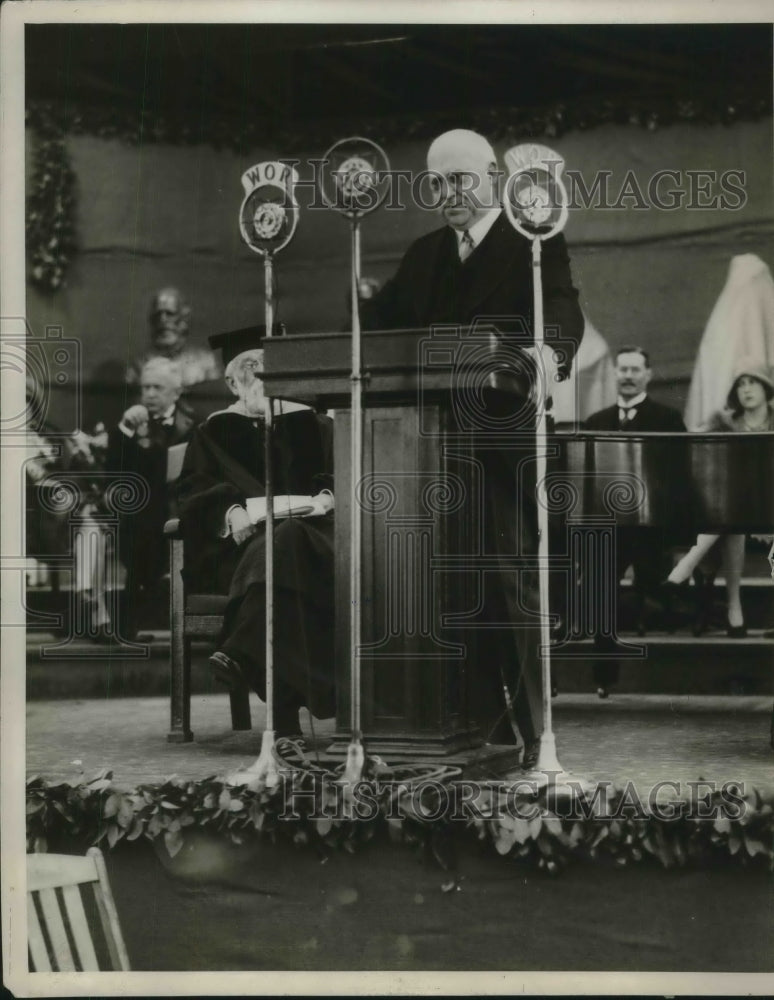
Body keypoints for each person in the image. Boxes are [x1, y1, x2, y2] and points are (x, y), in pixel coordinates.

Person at [360, 128, 585, 768]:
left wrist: (548, 351)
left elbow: (564, 312)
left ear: (490, 176)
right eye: (435, 183)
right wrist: (359, 313)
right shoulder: (424, 253)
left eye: (458, 180)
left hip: (502, 443)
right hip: (428, 452)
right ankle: (469, 725)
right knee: (443, 585)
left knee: (513, 584)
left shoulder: (531, 239)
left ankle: (540, 734)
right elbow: (382, 333)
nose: (446, 193)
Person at [175, 327, 335, 738]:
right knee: (281, 556)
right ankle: (279, 715)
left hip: (313, 537)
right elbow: (193, 488)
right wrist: (228, 512)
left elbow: (341, 473)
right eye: (250, 366)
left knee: (289, 540)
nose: (261, 373)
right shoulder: (212, 431)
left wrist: (328, 496)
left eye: (268, 365)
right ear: (231, 382)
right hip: (242, 548)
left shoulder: (311, 423)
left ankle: (241, 651)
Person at [584, 347, 687, 696]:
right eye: (622, 369)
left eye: (634, 370)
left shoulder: (668, 420)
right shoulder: (596, 422)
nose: (627, 376)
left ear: (648, 375)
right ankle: (604, 678)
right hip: (609, 528)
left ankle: (670, 683)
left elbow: (679, 477)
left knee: (657, 590)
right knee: (600, 596)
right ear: (615, 373)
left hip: (650, 528)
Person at [666, 359, 774, 637]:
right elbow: (694, 443)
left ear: (767, 389)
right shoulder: (725, 421)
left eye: (753, 383)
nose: (746, 390)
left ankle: (687, 565)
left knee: (731, 513)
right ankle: (734, 609)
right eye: (740, 385)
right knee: (732, 523)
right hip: (736, 507)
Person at [106, 357, 195, 639]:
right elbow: (115, 473)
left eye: (157, 387)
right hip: (144, 513)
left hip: (180, 507)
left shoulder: (194, 423)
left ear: (176, 392)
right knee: (138, 532)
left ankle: (184, 628)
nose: (150, 394)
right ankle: (128, 628)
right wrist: (125, 431)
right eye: (146, 388)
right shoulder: (130, 426)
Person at [127, 287, 221, 389]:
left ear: (184, 318)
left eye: (170, 314)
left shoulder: (206, 361)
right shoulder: (138, 365)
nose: (162, 320)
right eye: (157, 314)